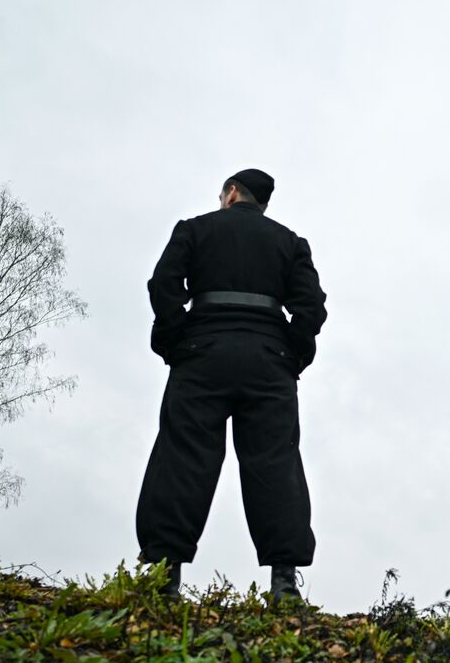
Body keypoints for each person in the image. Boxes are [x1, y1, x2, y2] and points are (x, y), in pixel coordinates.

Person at [136, 168, 327, 602]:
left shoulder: (195, 229)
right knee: (275, 462)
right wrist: (293, 354)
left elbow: (163, 285)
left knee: (182, 455)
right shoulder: (290, 242)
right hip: (268, 361)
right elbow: (311, 307)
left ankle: (165, 576)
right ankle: (284, 582)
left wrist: (174, 340)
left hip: (202, 354)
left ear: (232, 193)